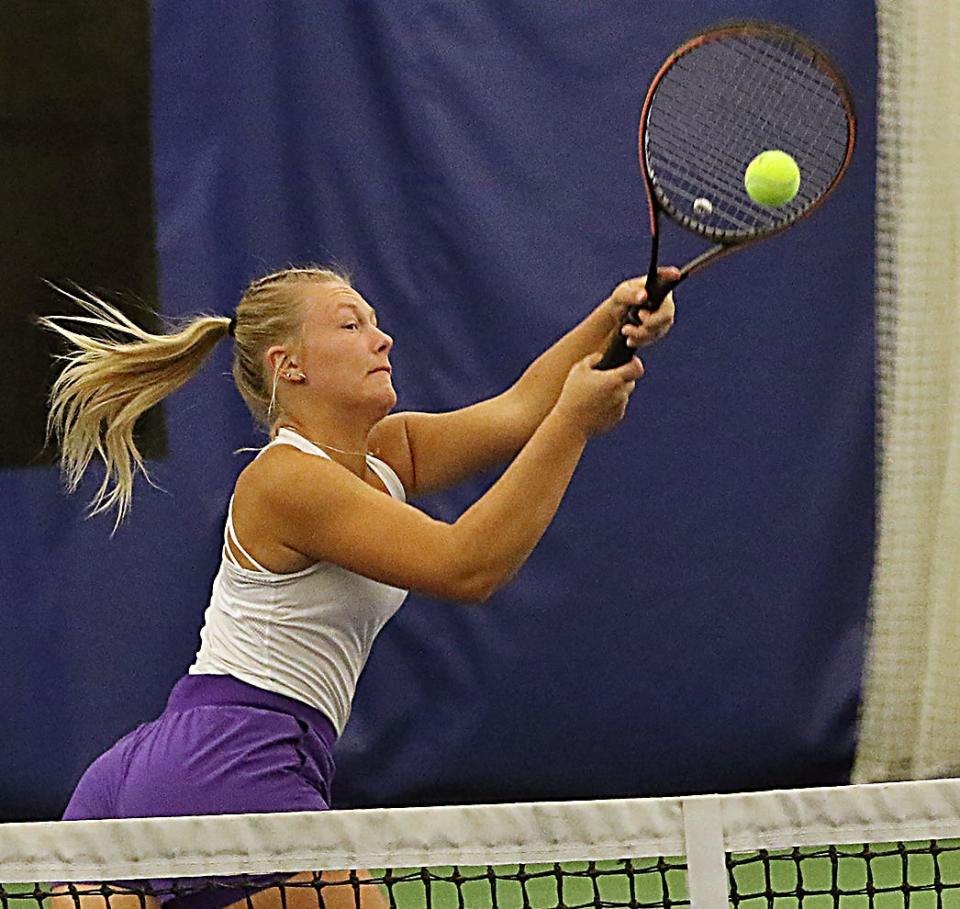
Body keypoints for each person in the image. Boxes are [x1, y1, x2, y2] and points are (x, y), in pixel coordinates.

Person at [40, 265, 676, 909]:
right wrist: (574, 423)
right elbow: (468, 566)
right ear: (289, 366)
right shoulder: (287, 480)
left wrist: (612, 321)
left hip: (175, 763)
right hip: (235, 761)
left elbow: (518, 409)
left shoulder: (388, 457)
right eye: (351, 324)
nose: (383, 339)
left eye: (374, 322)